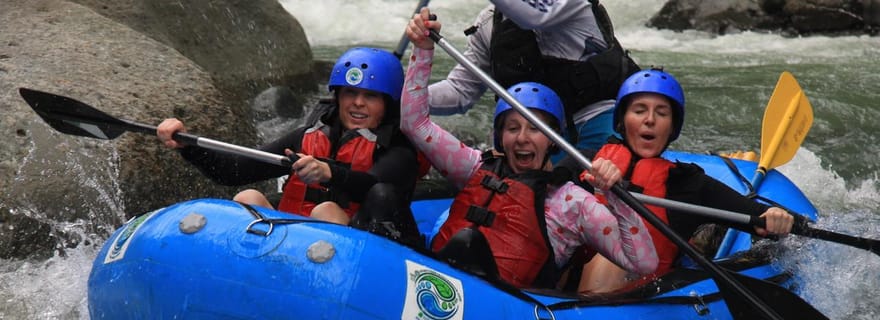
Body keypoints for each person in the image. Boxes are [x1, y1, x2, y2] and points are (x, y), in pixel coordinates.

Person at [401, 16, 657, 289]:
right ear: (500, 137)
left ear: (553, 140)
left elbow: (643, 264)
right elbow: (414, 123)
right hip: (437, 286)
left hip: (509, 303)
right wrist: (423, 49)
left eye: (534, 129)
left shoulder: (572, 204)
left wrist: (616, 198)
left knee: (468, 243)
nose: (522, 138)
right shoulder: (473, 167)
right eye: (512, 128)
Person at [562, 68, 803, 293]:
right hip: (561, 289)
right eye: (639, 110)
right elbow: (540, 187)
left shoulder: (689, 184)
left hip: (637, 296)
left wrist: (775, 216)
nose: (650, 120)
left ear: (672, 127)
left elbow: (758, 218)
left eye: (662, 113)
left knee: (614, 254)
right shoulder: (587, 163)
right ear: (622, 121)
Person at [156, 47, 428, 246]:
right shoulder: (306, 136)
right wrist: (187, 146)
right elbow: (232, 171)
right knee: (248, 197)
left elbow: (374, 186)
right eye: (350, 93)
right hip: (285, 242)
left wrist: (330, 173)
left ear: (388, 104)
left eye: (370, 96)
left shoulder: (398, 149)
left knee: (326, 211)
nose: (358, 103)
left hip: (343, 251)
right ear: (337, 97)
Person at [418, 1, 639, 154]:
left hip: (598, 130)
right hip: (536, 139)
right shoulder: (488, 22)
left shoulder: (572, 4)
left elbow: (536, 15)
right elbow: (460, 92)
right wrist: (402, 97)